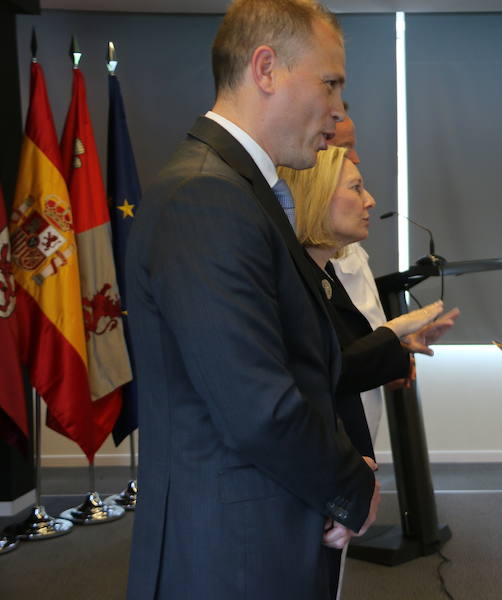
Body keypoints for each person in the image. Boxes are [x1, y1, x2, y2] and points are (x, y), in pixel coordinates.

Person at [125, 2, 380, 598]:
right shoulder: (206, 197)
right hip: (231, 555)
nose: (338, 109)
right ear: (266, 69)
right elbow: (257, 403)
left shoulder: (236, 189)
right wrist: (348, 484)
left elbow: (295, 363)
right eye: (330, 82)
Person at [279, 146, 459, 597]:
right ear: (316, 197)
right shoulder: (293, 281)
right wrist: (393, 332)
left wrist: (398, 343)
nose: (371, 200)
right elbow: (323, 373)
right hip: (315, 478)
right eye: (356, 188)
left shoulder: (322, 272)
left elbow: (343, 356)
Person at [328, 104, 394, 446]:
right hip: (336, 422)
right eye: (343, 148)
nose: (355, 157)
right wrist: (392, 341)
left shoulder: (344, 234)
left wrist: (395, 348)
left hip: (364, 400)